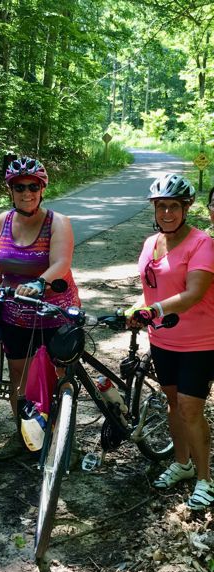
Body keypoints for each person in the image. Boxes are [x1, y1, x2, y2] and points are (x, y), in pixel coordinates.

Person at [126, 173, 214, 510]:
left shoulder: (202, 244)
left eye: (174, 206)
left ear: (186, 207)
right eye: (161, 206)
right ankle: (182, 463)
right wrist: (139, 307)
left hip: (201, 341)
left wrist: (154, 309)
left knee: (192, 408)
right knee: (173, 403)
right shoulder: (151, 243)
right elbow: (152, 289)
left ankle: (205, 478)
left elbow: (193, 294)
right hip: (163, 338)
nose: (166, 213)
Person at [0, 156, 81, 420]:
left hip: (54, 310)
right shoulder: (2, 220)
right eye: (20, 187)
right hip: (15, 313)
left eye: (33, 187)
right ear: (10, 191)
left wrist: (39, 283)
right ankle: (23, 437)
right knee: (19, 376)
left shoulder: (57, 222)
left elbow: (61, 262)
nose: (26, 193)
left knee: (59, 377)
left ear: (42, 189)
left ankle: (60, 442)